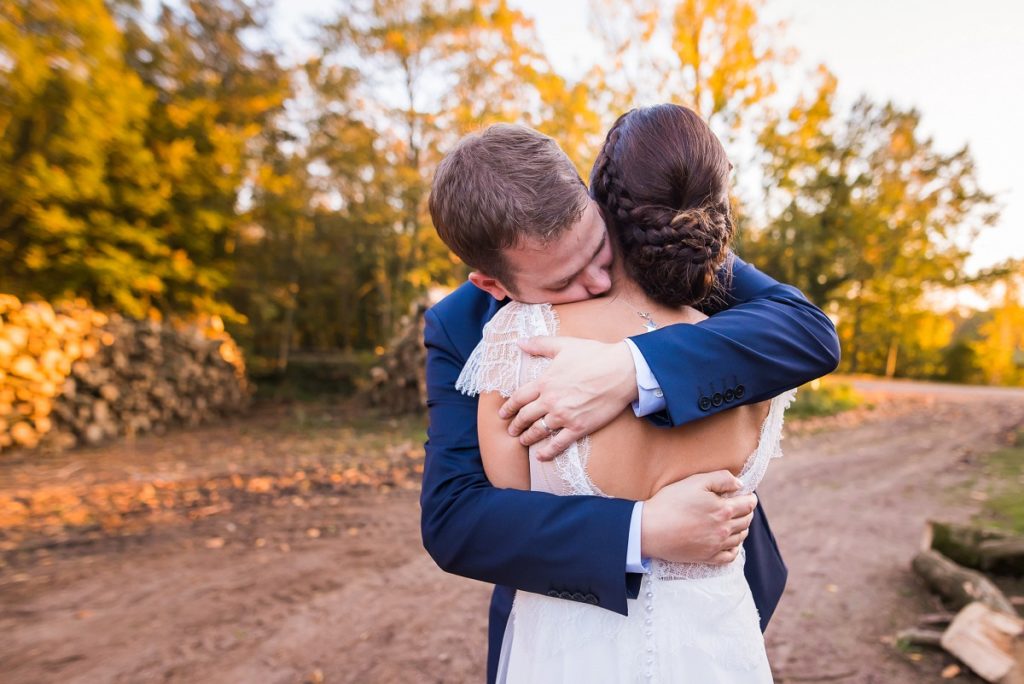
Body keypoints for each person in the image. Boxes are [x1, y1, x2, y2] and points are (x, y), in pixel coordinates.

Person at [423, 117, 840, 683]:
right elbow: (456, 518)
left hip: (718, 614)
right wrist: (642, 530)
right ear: (493, 286)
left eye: (598, 249)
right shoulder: (460, 327)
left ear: (588, 198)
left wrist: (633, 367)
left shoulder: (646, 235)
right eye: (564, 282)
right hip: (568, 630)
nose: (599, 280)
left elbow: (806, 330)